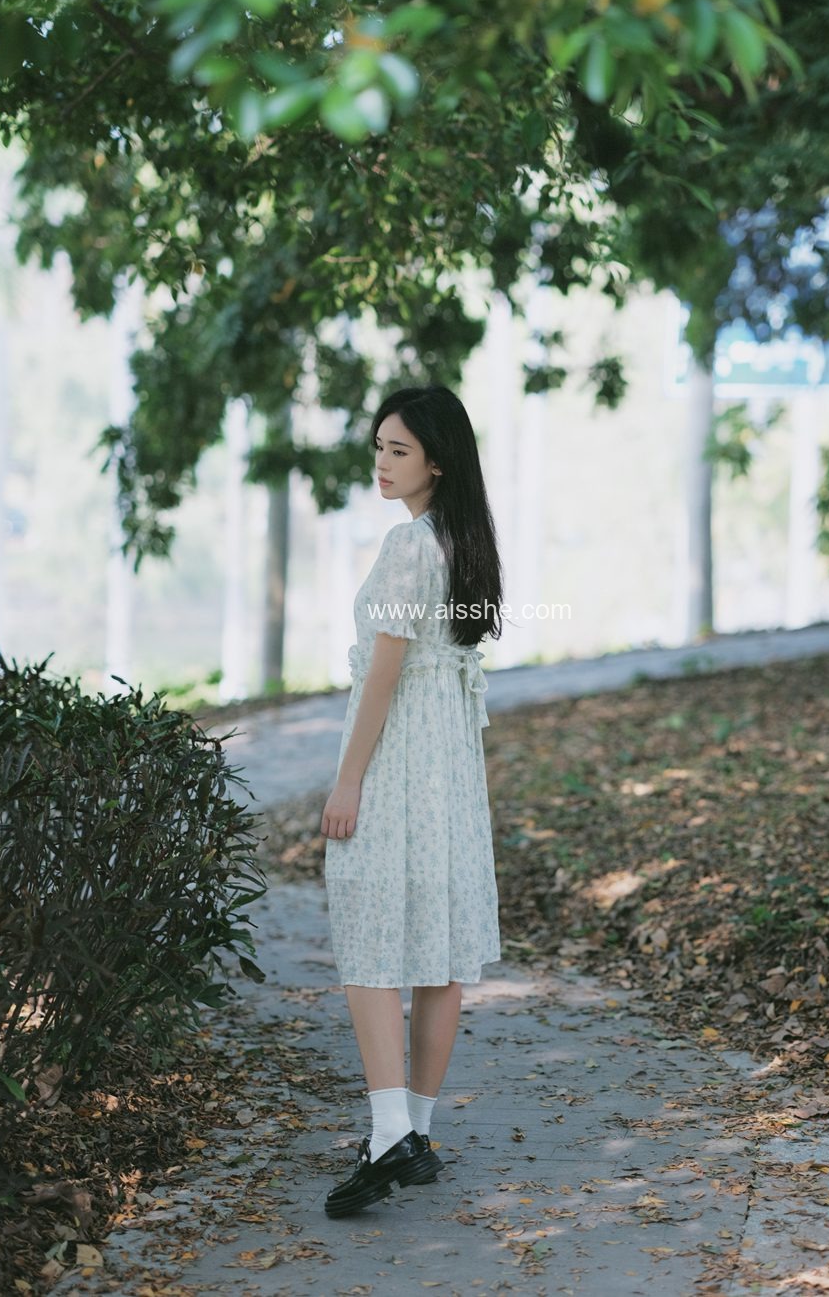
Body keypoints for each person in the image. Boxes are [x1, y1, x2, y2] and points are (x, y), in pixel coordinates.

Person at [320, 383, 505, 1219]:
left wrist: (349, 776)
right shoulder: (464, 544)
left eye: (399, 449)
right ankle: (416, 1133)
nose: (383, 463)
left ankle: (390, 1127)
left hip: (400, 762)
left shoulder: (408, 545)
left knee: (369, 928)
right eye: (379, 447)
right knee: (439, 948)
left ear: (437, 461)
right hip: (449, 770)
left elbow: (385, 673)